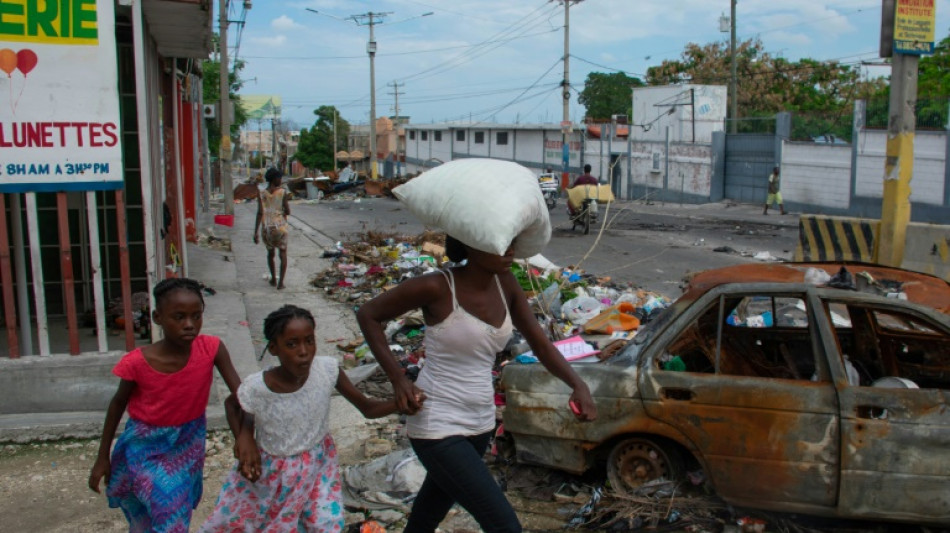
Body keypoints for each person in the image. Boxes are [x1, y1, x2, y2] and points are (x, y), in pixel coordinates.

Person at [356, 236, 597, 533]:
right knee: (504, 526)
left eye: (511, 243)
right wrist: (399, 379)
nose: (509, 251)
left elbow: (540, 343)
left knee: (427, 516)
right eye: (500, 244)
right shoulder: (437, 285)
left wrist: (578, 385)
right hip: (437, 421)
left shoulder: (505, 284)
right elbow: (368, 315)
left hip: (480, 422)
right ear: (471, 243)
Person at [199, 305, 415, 532]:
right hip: (272, 472)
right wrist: (244, 437)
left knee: (324, 524)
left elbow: (367, 408)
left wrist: (400, 404)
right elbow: (234, 405)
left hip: (317, 465)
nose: (303, 351)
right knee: (256, 524)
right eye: (292, 344)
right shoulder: (258, 386)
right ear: (273, 348)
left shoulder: (327, 370)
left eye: (309, 341)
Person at [88, 278, 245, 532]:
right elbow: (117, 405)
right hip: (144, 447)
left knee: (172, 511)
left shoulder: (212, 349)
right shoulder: (136, 363)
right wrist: (102, 456)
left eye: (196, 316)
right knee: (159, 515)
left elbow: (242, 396)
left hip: (187, 444)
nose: (189, 325)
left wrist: (244, 436)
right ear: (157, 317)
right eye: (179, 317)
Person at [254, 167, 290, 289]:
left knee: (270, 253)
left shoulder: (262, 193)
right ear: (275, 178)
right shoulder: (282, 192)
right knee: (283, 253)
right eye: (279, 177)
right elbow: (288, 210)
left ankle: (273, 279)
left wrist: (255, 233)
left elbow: (259, 213)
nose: (281, 180)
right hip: (280, 227)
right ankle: (281, 283)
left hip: (267, 229)